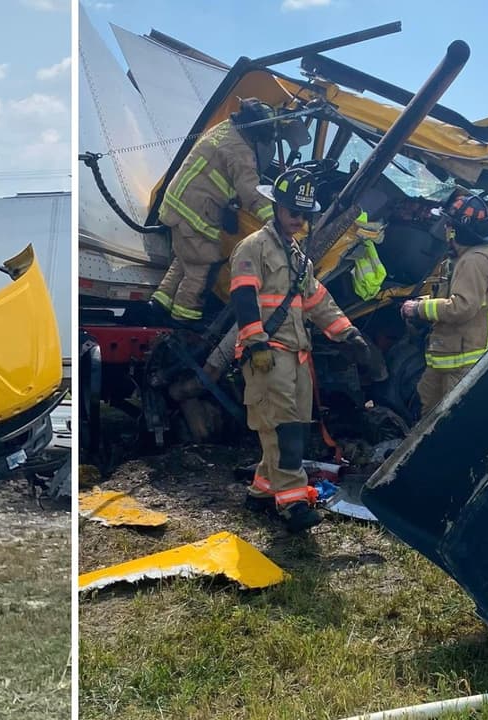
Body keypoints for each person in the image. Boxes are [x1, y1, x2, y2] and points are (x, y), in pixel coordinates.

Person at [229, 167, 369, 532]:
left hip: (295, 356)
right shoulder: (253, 247)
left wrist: (347, 334)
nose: (299, 221)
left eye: (305, 215)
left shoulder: (295, 256)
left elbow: (317, 300)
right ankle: (291, 504)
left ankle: (261, 492)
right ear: (277, 208)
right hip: (268, 355)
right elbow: (243, 296)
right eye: (294, 213)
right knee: (284, 431)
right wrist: (256, 342)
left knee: (286, 427)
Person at [152, 98, 284, 323]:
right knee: (203, 267)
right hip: (194, 214)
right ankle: (183, 320)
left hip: (180, 205)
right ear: (255, 132)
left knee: (186, 259)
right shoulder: (240, 153)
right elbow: (252, 193)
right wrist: (278, 223)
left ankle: (158, 305)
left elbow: (221, 173)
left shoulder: (225, 128)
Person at [401, 193, 488, 414]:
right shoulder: (465, 257)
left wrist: (419, 309)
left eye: (448, 224)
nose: (445, 229)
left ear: (457, 231)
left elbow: (461, 307)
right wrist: (422, 302)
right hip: (447, 354)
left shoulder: (475, 260)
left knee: (444, 418)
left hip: (460, 361)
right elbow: (451, 296)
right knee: (425, 403)